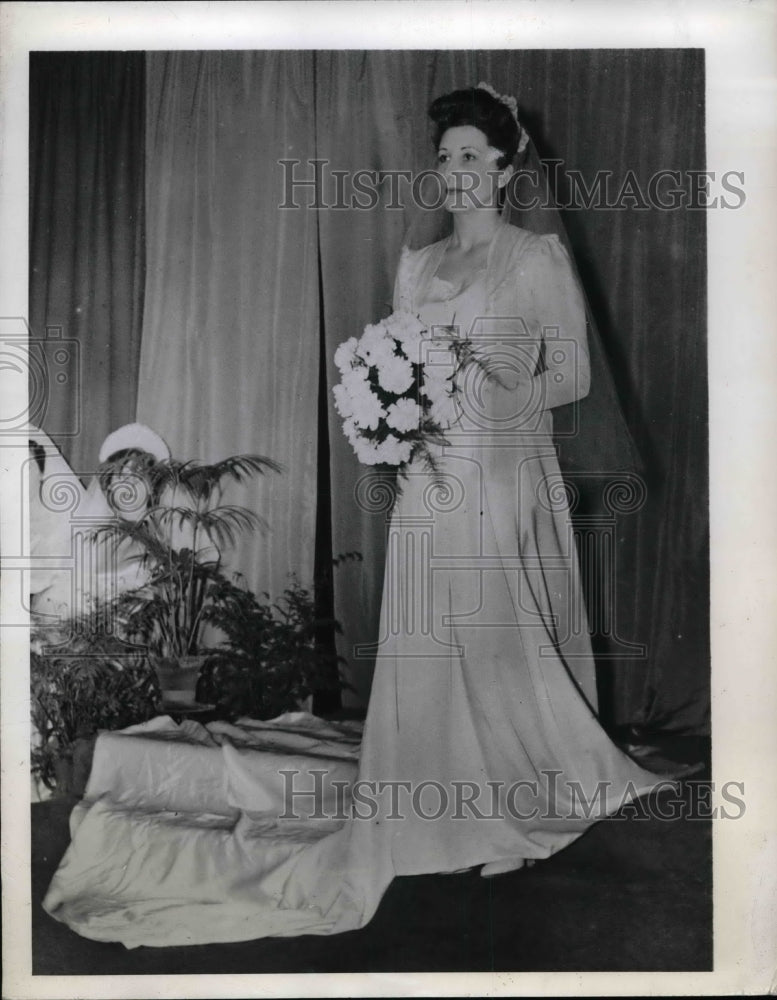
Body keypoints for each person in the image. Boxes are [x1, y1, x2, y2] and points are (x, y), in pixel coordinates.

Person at [42, 85, 679, 947]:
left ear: (503, 165)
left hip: (499, 472)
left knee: (493, 640)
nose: (454, 172)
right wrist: (395, 416)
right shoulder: (418, 268)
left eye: (469, 156)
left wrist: (485, 389)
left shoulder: (533, 260)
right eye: (444, 156)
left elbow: (568, 378)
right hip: (428, 480)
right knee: (428, 644)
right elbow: (393, 370)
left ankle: (513, 794)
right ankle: (429, 797)